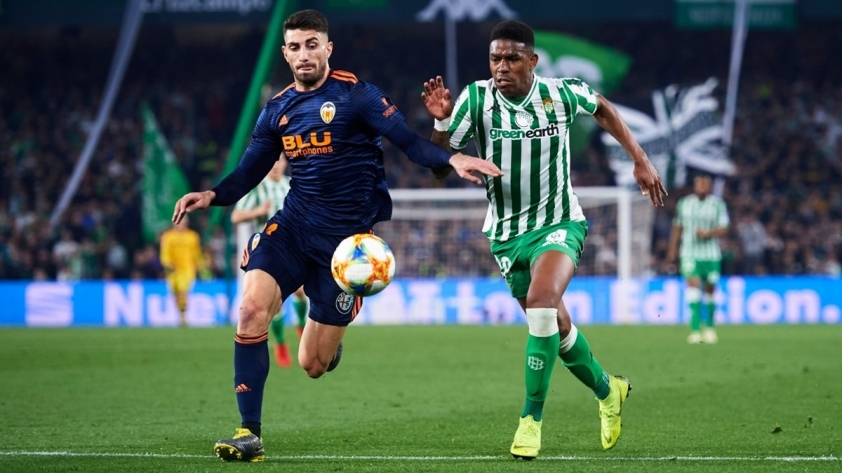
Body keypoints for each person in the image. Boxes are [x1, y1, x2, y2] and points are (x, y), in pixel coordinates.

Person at [171, 9, 502, 463]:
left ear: (328, 48)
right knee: (249, 312)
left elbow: (409, 143)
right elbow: (248, 172)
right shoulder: (277, 110)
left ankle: (331, 340)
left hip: (346, 249)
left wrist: (454, 159)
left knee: (312, 365)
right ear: (285, 54)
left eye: (312, 45)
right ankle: (249, 433)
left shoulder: (356, 95)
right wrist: (211, 195)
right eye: (295, 47)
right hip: (292, 228)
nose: (304, 54)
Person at [421, 21, 666, 459]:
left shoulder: (560, 93)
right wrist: (441, 121)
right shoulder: (475, 100)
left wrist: (639, 158)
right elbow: (440, 167)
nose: (502, 67)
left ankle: (530, 421)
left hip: (559, 222)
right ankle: (609, 390)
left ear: (532, 61)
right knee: (558, 327)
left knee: (540, 304)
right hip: (505, 234)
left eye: (512, 58)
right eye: (495, 59)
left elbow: (603, 107)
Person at [231, 155, 307, 369]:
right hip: (268, 251)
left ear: (285, 163)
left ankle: (301, 326)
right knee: (275, 302)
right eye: (271, 161)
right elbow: (236, 216)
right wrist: (258, 212)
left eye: (278, 161)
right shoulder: (257, 188)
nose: (275, 165)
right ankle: (281, 342)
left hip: (295, 248)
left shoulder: (292, 185)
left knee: (301, 292)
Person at [667, 174, 729, 344]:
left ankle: (710, 328)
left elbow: (724, 228)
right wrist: (672, 249)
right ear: (694, 187)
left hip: (711, 255)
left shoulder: (718, 204)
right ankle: (695, 330)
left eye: (705, 184)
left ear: (709, 187)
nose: (701, 187)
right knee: (693, 288)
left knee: (710, 290)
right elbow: (677, 226)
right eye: (699, 184)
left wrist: (708, 233)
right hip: (689, 253)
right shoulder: (684, 203)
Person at [159, 216, 204, 327]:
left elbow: (197, 253)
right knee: (175, 293)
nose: (181, 224)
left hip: (187, 269)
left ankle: (183, 316)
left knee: (183, 291)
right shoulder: (168, 236)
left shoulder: (192, 236)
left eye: (184, 221)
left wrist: (200, 265)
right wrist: (167, 264)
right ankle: (181, 314)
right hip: (173, 270)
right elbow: (165, 252)